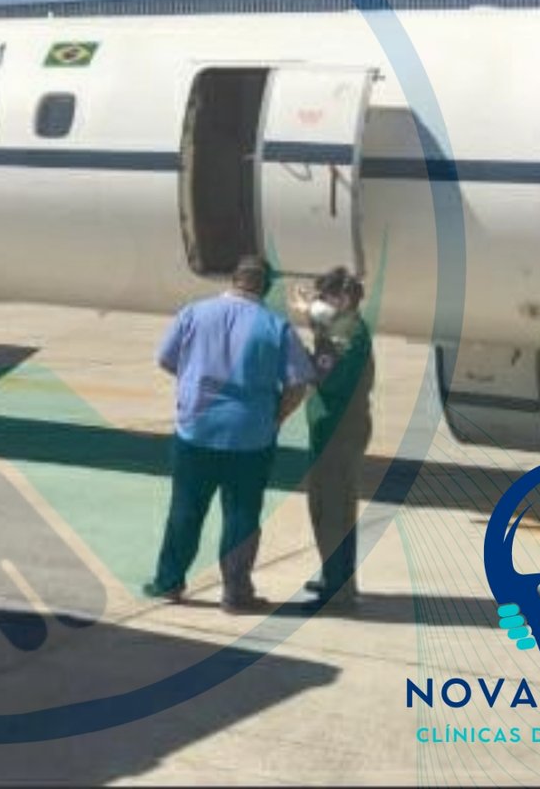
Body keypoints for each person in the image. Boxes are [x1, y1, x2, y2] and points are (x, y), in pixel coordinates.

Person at [145, 255, 316, 612]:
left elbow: (165, 359)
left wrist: (194, 382)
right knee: (241, 515)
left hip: (196, 430)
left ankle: (169, 582)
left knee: (185, 510)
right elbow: (298, 383)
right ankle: (236, 593)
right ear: (265, 287)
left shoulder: (194, 313)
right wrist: (276, 418)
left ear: (233, 280)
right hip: (251, 437)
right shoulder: (276, 326)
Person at [302, 267, 375, 612]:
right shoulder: (344, 328)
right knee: (335, 509)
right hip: (338, 430)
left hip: (337, 433)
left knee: (331, 510)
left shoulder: (344, 332)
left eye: (324, 297)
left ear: (343, 298)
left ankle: (338, 591)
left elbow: (326, 375)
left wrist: (301, 356)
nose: (319, 303)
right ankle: (337, 579)